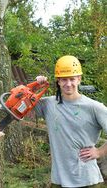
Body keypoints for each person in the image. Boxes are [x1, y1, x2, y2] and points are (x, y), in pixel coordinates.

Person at [35, 55, 107, 188]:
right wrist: (35, 86)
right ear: (58, 81)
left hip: (87, 181)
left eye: (72, 79)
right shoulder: (48, 104)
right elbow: (19, 108)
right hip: (59, 180)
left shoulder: (93, 107)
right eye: (64, 80)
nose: (68, 84)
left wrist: (99, 152)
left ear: (79, 79)